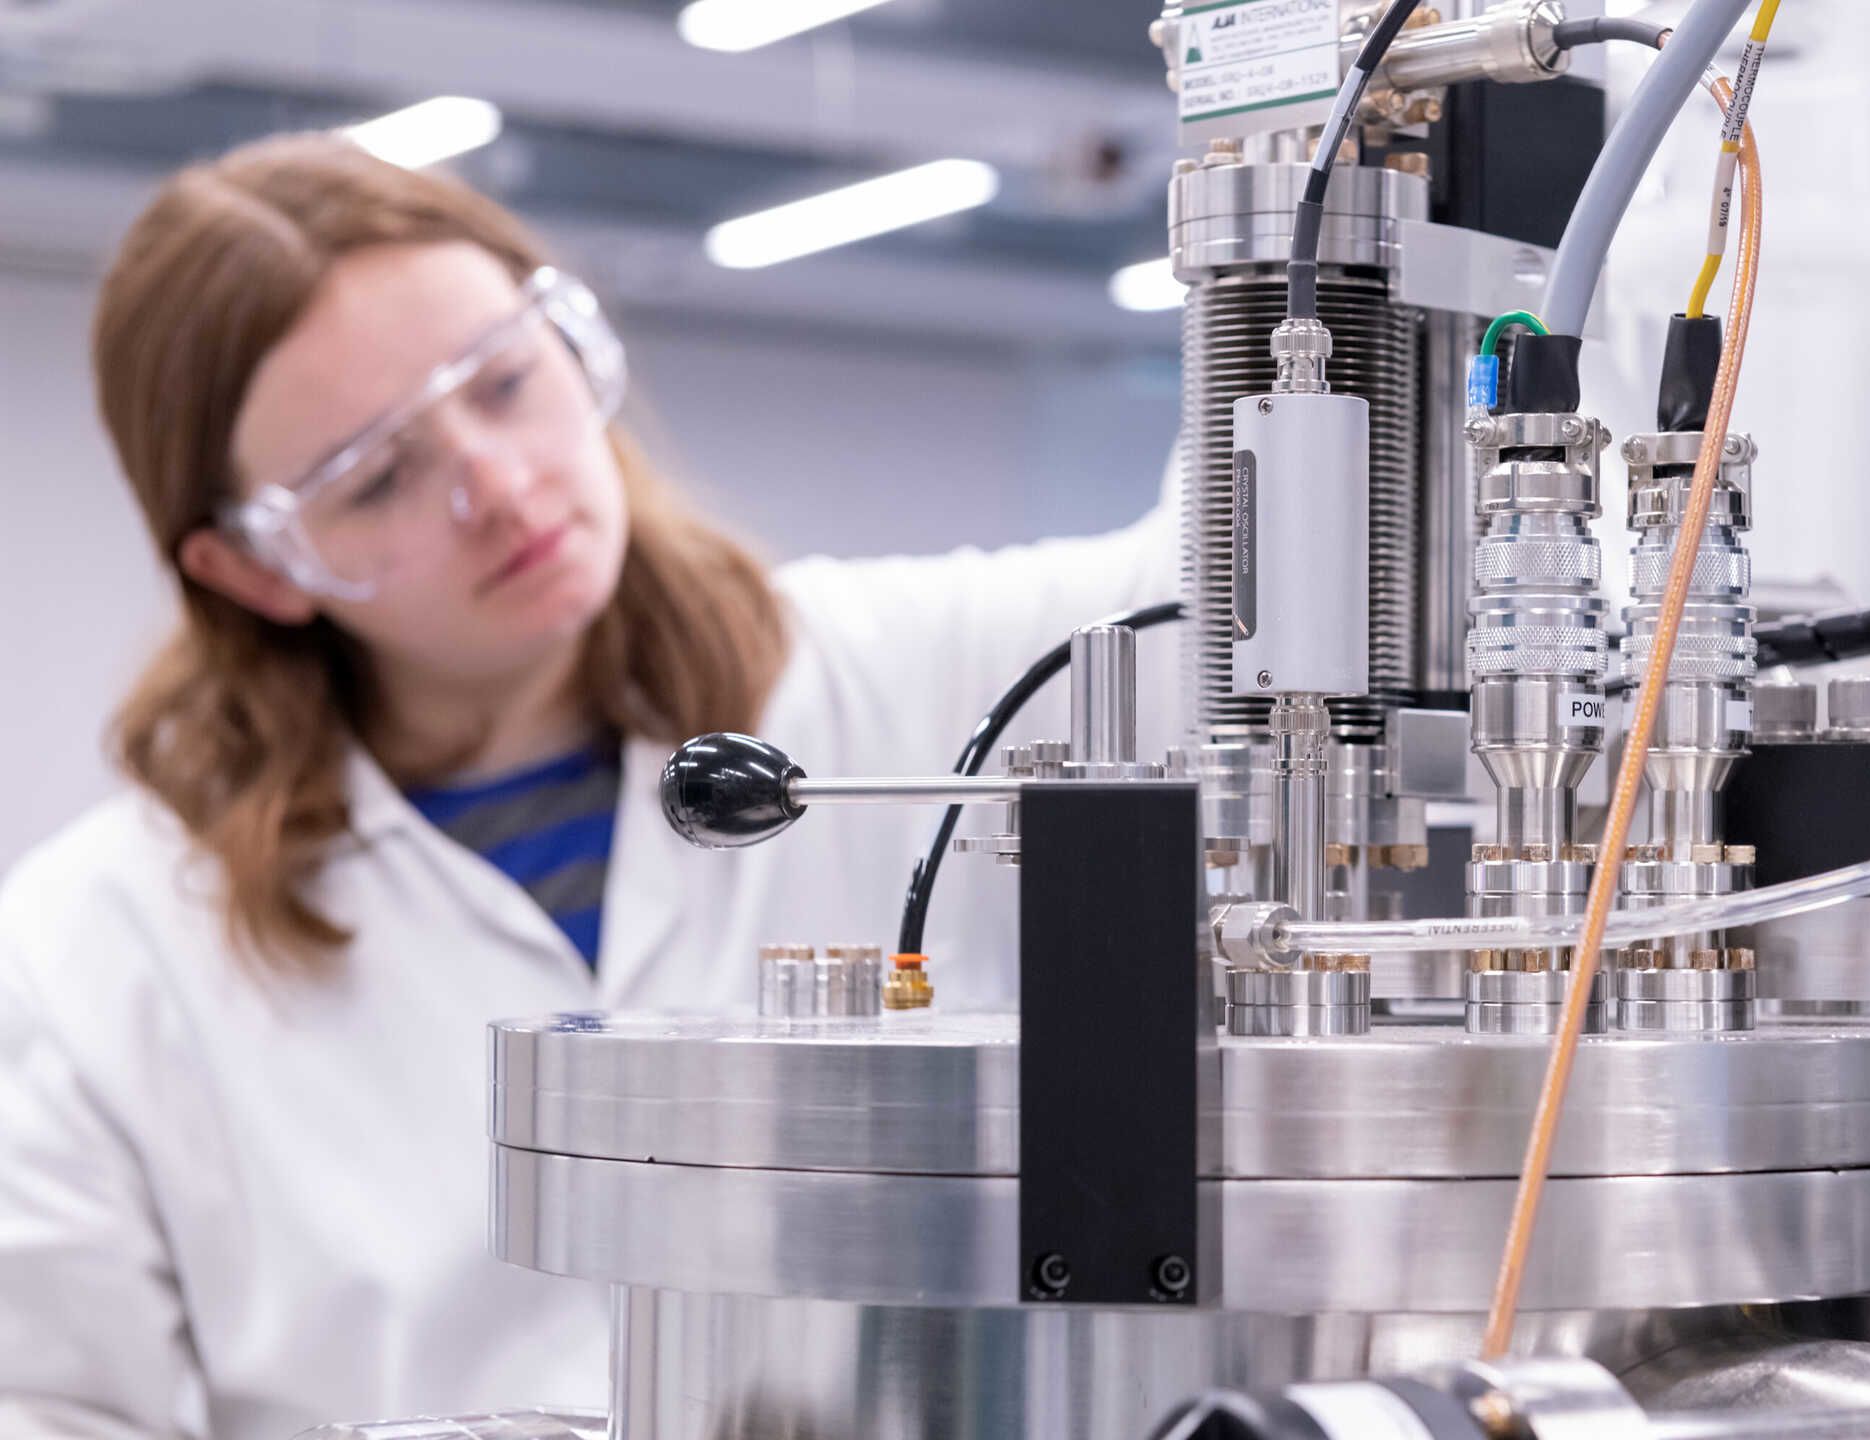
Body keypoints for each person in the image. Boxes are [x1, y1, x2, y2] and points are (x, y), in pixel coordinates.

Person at [0, 133, 1176, 1438]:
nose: (502, 489)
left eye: (506, 382)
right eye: (379, 478)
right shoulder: (95, 948)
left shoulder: (905, 671)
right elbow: (45, 1409)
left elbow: (1224, 576)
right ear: (256, 570)